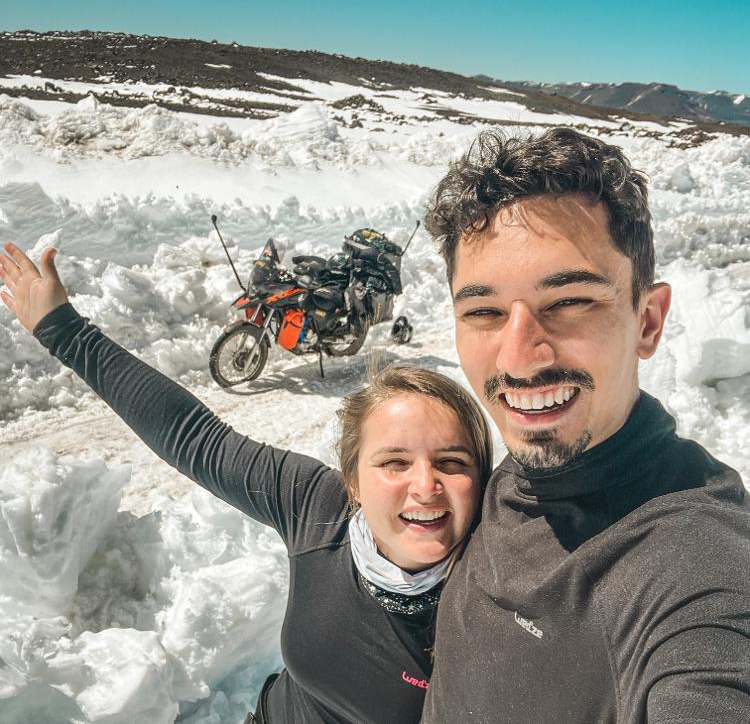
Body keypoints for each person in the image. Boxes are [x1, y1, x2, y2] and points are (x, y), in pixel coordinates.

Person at [0, 242, 493, 724]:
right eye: (394, 462)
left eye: (452, 462)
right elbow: (195, 438)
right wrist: (64, 330)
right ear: (354, 483)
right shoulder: (318, 507)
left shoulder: (501, 584)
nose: (426, 484)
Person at [421, 127, 750, 723]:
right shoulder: (508, 480)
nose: (519, 357)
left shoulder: (692, 557)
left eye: (570, 302)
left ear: (648, 321)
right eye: (485, 312)